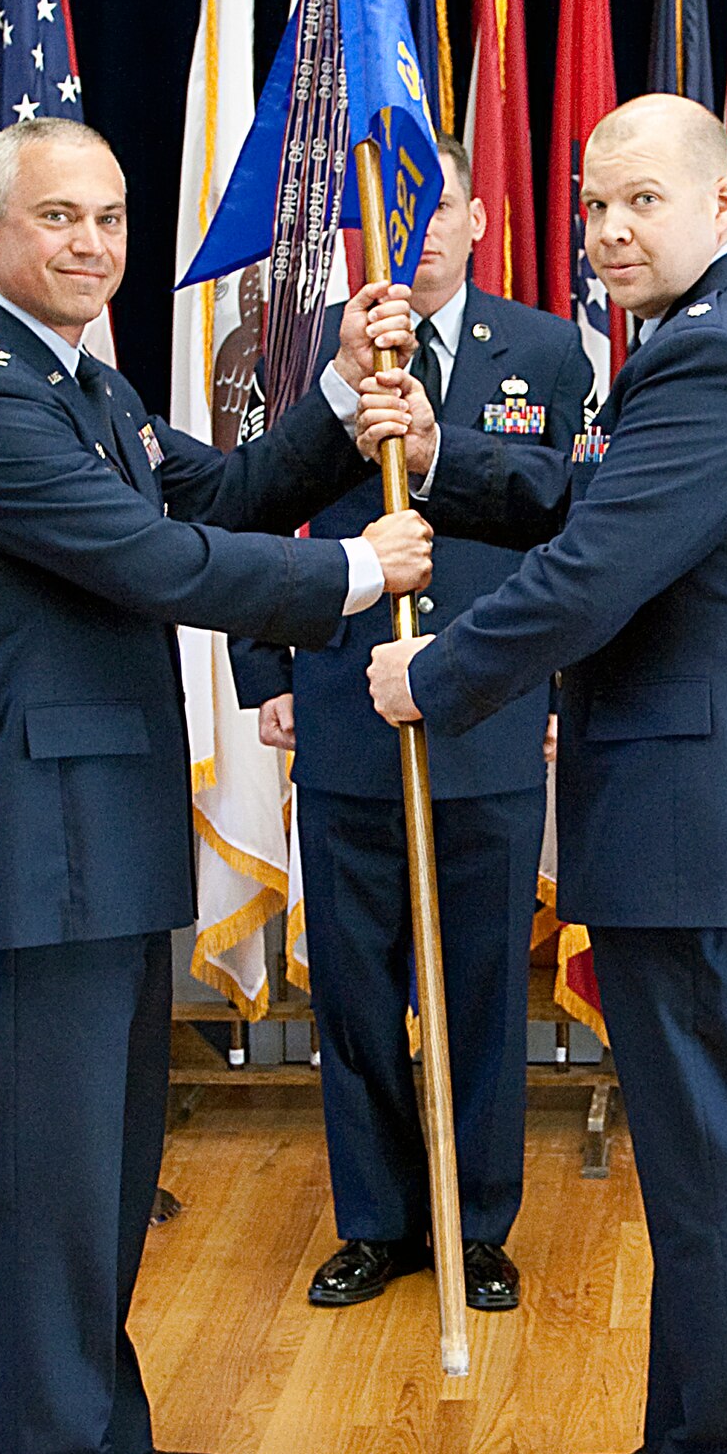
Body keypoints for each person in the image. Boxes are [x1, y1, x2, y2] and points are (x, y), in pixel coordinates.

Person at [362, 94, 727, 1454]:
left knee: (716, 1161)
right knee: (698, 1155)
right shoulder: (702, 335)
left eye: (642, 202)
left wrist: (439, 676)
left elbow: (594, 572)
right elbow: (585, 492)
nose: (607, 229)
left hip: (711, 819)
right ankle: (697, 1441)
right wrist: (444, 444)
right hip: (707, 812)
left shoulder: (718, 353)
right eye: (594, 202)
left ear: (724, 202)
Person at [0, 118, 432, 1454]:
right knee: (45, 1179)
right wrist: (361, 574)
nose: (91, 243)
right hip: (32, 838)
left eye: (111, 218)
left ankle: (96, 1431)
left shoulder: (88, 385)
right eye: (58, 216)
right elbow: (155, 559)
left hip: (103, 830)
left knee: (110, 1167)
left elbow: (221, 494)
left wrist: (330, 407)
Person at [231, 134, 592, 1313]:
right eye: (392, 211)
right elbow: (253, 514)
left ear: (478, 219)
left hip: (489, 713)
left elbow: (578, 532)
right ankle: (378, 1219)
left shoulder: (543, 348)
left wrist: (558, 681)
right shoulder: (312, 348)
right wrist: (260, 668)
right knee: (353, 980)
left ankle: (474, 1220)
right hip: (342, 706)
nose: (418, 231)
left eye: (436, 208)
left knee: (483, 981)